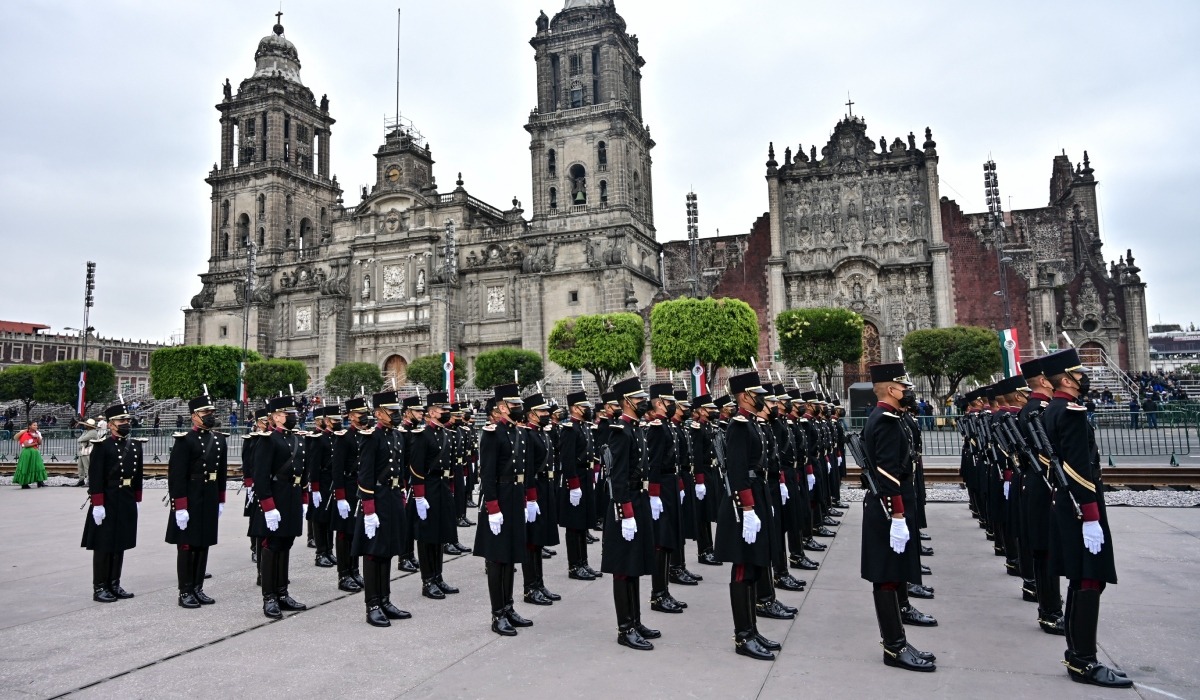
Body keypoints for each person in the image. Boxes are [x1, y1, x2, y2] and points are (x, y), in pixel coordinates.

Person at [1041, 349, 1132, 688]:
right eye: (1079, 373)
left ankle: (1078, 654)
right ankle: (1083, 660)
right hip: (1081, 506)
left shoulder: (1052, 409)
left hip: (1066, 503)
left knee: (1082, 578)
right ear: (1066, 379)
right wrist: (1091, 515)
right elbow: (1079, 469)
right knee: (1089, 579)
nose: (1084, 377)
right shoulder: (1071, 412)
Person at [861, 362, 936, 672]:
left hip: (891, 506)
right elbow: (888, 473)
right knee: (887, 576)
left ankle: (898, 641)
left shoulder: (891, 418)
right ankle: (893, 646)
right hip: (889, 508)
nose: (908, 391)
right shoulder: (885, 420)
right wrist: (899, 515)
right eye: (904, 387)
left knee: (892, 573)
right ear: (891, 389)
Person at [714, 372, 779, 660]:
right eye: (757, 393)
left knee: (753, 567)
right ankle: (743, 635)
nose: (762, 397)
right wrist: (748, 508)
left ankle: (752, 629)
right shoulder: (739, 426)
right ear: (744, 396)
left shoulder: (752, 423)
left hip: (757, 495)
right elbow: (738, 471)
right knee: (742, 568)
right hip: (744, 505)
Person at [602, 377, 659, 650]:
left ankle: (635, 620)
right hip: (625, 504)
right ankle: (625, 628)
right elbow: (617, 477)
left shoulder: (635, 429)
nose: (643, 401)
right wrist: (625, 512)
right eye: (638, 398)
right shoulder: (620, 432)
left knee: (635, 564)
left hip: (638, 500)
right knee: (624, 568)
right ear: (626, 402)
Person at [473, 386, 535, 636]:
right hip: (498, 498)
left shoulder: (518, 433)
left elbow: (525, 470)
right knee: (497, 559)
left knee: (511, 556)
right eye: (513, 404)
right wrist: (492, 507)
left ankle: (509, 607)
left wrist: (529, 499)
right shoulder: (492, 434)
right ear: (501, 407)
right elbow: (487, 475)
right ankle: (497, 613)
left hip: (514, 498)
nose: (519, 408)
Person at [353, 390, 411, 627]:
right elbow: (365, 476)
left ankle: (385, 599)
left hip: (393, 497)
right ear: (378, 413)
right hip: (376, 498)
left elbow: (401, 467)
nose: (396, 414)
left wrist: (403, 494)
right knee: (374, 552)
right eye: (391, 411)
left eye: (397, 410)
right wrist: (368, 509)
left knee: (387, 551)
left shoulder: (397, 436)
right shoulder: (371, 437)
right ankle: (373, 604)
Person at [166, 391, 228, 608]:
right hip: (191, 498)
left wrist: (221, 499)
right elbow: (176, 476)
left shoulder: (219, 440)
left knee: (203, 543)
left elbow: (221, 473)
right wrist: (180, 506)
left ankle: (198, 588)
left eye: (211, 412)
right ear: (194, 416)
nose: (210, 415)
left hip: (209, 497)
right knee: (187, 545)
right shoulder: (185, 441)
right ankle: (185, 591)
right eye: (205, 412)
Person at [250, 394, 309, 620]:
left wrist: (303, 499)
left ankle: (282, 593)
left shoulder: (297, 439)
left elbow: (302, 474)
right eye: (287, 413)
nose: (292, 417)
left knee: (286, 544)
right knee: (271, 547)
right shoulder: (268, 441)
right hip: (275, 499)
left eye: (292, 413)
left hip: (292, 498)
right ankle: (269, 597)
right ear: (275, 417)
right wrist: (268, 506)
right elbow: (261, 476)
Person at [80, 402, 145, 602]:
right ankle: (100, 587)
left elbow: (138, 475)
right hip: (107, 498)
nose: (125, 423)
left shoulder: (134, 445)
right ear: (110, 424)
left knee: (120, 543)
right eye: (121, 420)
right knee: (104, 544)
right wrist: (98, 504)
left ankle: (114, 584)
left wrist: (137, 499)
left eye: (127, 420)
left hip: (125, 497)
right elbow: (96, 476)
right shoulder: (102, 446)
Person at [407, 392, 460, 600]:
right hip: (428, 488)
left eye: (447, 409)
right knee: (427, 536)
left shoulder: (447, 434)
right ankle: (428, 580)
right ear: (431, 413)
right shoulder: (422, 435)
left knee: (440, 534)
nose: (446, 413)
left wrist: (450, 489)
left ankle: (438, 576)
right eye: (442, 410)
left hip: (442, 487)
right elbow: (416, 468)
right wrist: (419, 497)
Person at [520, 391, 560, 605]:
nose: (546, 413)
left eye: (546, 410)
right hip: (533, 489)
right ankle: (530, 587)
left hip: (545, 488)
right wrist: (530, 498)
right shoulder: (527, 434)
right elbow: (526, 470)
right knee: (531, 541)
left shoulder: (542, 433)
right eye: (542, 411)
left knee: (540, 539)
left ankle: (539, 583)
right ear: (531, 414)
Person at [559, 390, 600, 580]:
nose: (588, 409)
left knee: (583, 524)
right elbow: (567, 460)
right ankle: (574, 565)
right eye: (584, 406)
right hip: (575, 479)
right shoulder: (570, 429)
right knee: (574, 525)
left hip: (585, 476)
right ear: (575, 409)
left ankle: (583, 562)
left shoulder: (584, 427)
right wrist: (573, 485)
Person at [331, 398, 369, 592]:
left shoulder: (366, 435)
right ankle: (343, 574)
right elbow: (337, 470)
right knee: (345, 534)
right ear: (351, 416)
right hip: (347, 487)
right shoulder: (343, 437)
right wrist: (340, 497)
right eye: (360, 414)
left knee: (356, 532)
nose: (364, 417)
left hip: (360, 488)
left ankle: (354, 570)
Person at [305, 406, 339, 569]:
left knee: (330, 518)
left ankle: (329, 550)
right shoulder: (319, 440)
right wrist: (316, 489)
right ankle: (320, 553)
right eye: (335, 420)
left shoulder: (335, 438)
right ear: (326, 421)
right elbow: (314, 466)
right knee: (320, 518)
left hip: (332, 482)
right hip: (322, 482)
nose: (338, 423)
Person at [14, 422, 47, 488]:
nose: (36, 426)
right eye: (34, 425)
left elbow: (40, 443)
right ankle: (24, 483)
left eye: (36, 425)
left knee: (38, 466)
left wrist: (39, 437)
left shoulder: (37, 433)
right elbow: (26, 445)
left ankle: (40, 481)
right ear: (30, 426)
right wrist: (35, 443)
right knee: (27, 467)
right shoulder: (26, 434)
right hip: (27, 452)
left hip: (35, 452)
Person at [76, 419, 100, 487]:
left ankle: (89, 481)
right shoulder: (87, 431)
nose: (84, 425)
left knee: (87, 468)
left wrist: (81, 439)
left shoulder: (93, 432)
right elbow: (80, 439)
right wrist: (81, 439)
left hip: (88, 451)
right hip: (83, 451)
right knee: (80, 467)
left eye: (86, 425)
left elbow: (81, 439)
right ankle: (81, 480)